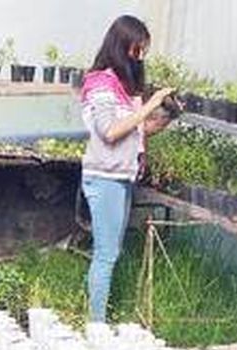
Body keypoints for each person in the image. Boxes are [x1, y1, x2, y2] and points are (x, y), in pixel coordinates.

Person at [80, 15, 175, 322]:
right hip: (104, 176)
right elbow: (110, 131)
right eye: (138, 49)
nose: (141, 56)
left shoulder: (123, 88)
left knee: (109, 251)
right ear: (122, 45)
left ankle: (91, 312)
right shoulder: (100, 82)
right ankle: (96, 326)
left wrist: (166, 115)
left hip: (121, 176)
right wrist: (151, 102)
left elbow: (137, 131)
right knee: (107, 255)